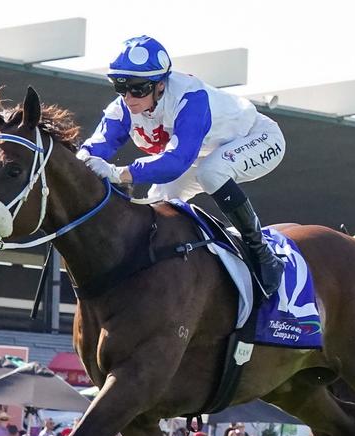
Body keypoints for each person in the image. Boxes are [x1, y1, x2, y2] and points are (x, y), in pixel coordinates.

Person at [78, 35, 286, 296]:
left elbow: (177, 161)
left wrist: (119, 173)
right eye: (121, 87)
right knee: (156, 203)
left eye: (138, 88)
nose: (129, 98)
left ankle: (262, 253)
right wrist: (81, 160)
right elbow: (97, 145)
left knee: (212, 172)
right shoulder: (122, 108)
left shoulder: (191, 98)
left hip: (258, 137)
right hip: (201, 153)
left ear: (161, 85)